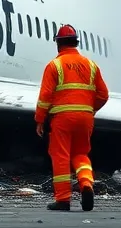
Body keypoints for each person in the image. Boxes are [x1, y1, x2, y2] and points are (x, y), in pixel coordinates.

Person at [35, 24, 109, 212]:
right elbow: (103, 94)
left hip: (62, 119)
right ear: (76, 42)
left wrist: (40, 119)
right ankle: (86, 185)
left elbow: (45, 97)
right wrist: (89, 110)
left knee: (61, 156)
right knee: (81, 154)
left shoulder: (54, 66)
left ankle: (63, 199)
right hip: (85, 119)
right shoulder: (91, 65)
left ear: (58, 44)